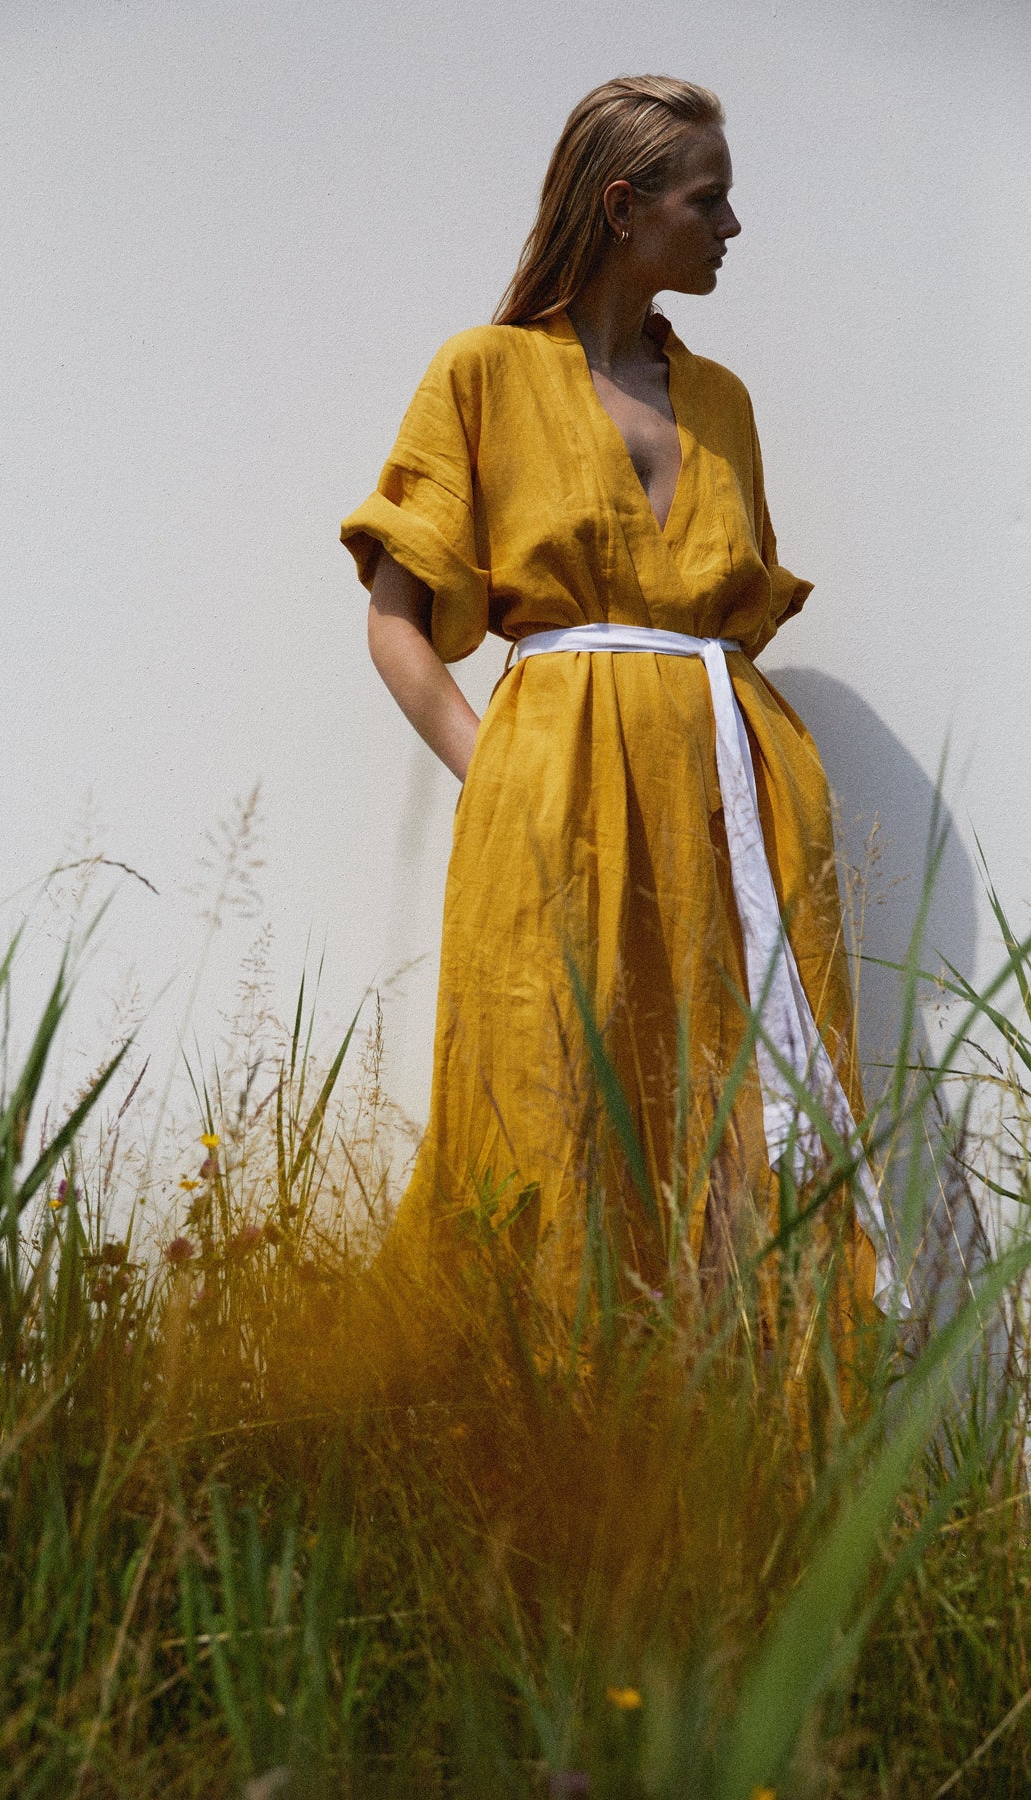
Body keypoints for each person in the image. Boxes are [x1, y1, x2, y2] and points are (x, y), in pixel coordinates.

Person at [341, 75, 897, 1330]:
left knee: (745, 1113)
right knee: (545, 1102)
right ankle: (529, 1419)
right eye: (711, 200)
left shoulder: (723, 401)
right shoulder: (483, 373)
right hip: (552, 805)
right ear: (622, 206)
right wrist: (502, 778)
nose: (733, 227)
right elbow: (394, 623)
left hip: (740, 807)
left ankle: (738, 1418)